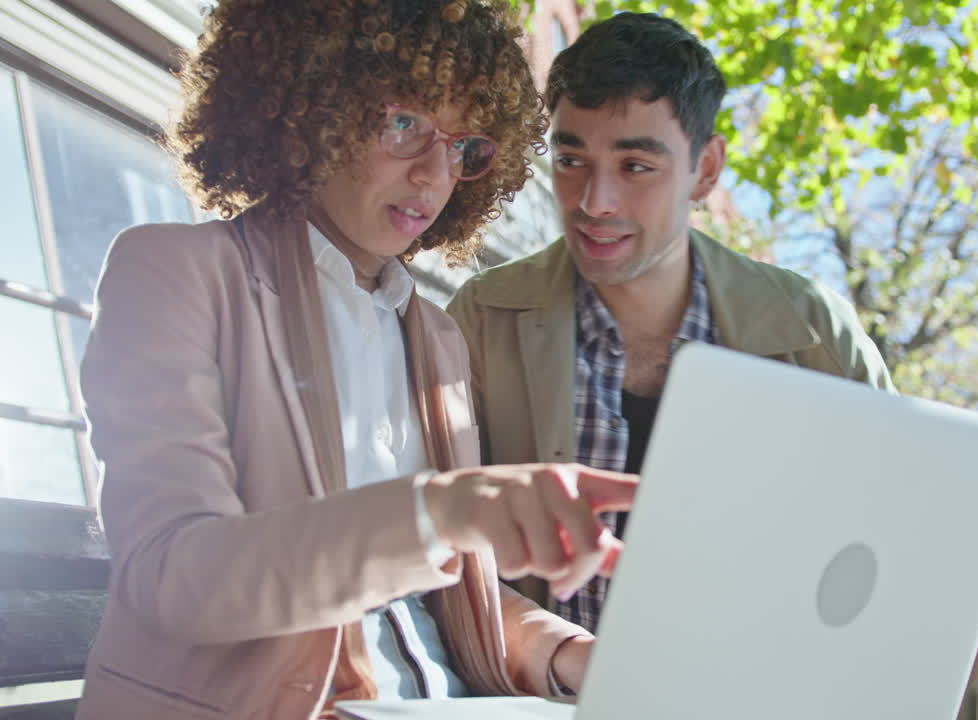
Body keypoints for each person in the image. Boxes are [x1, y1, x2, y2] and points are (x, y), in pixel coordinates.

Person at [448, 12, 978, 719]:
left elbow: (902, 542)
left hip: (789, 676)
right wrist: (561, 656)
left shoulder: (812, 327)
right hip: (576, 680)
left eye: (635, 166)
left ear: (705, 169)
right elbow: (444, 554)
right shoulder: (479, 321)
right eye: (570, 160)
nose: (594, 201)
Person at [75, 2, 637, 719]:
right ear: (313, 110)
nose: (437, 174)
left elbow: (455, 597)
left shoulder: (436, 337)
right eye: (405, 123)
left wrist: (573, 656)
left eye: (464, 147)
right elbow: (175, 577)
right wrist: (439, 511)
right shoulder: (174, 272)